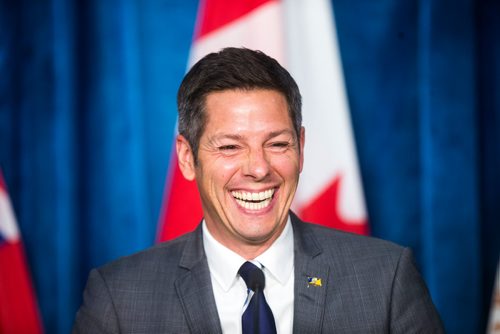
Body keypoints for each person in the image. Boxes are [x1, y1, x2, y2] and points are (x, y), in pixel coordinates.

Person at [73, 47, 444, 333]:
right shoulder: (118, 298)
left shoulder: (386, 278)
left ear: (301, 147)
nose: (259, 168)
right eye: (230, 146)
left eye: (278, 144)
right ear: (187, 158)